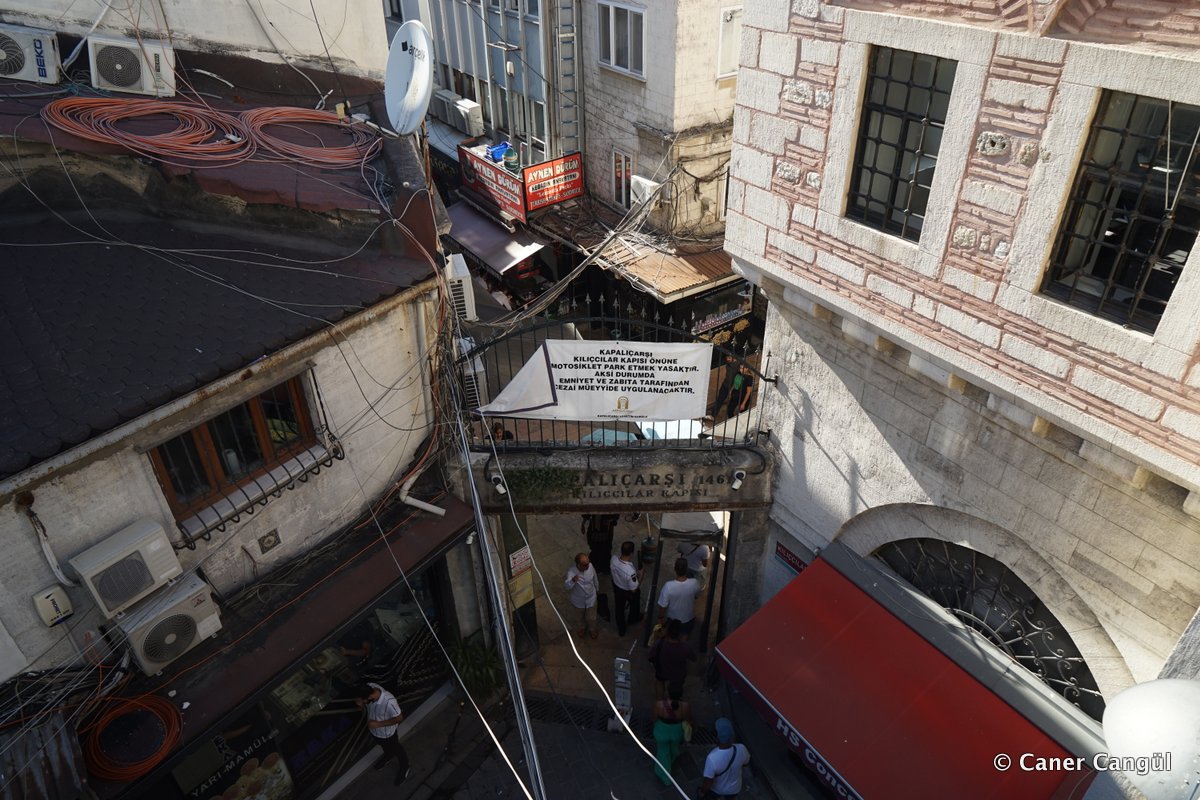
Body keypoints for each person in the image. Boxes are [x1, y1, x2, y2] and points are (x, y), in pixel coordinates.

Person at [354, 683, 410, 786]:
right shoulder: (369, 686)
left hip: (388, 734)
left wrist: (378, 724)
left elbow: (399, 718)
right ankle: (388, 755)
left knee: (397, 749)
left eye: (363, 700)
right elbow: (364, 704)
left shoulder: (389, 702)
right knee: (384, 746)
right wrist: (361, 704)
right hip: (375, 732)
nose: (362, 701)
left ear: (369, 697)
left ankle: (405, 767)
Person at [652, 683, 692, 786]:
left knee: (663, 752)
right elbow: (688, 720)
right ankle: (672, 759)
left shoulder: (659, 704)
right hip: (676, 733)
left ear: (667, 692)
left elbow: (654, 718)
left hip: (661, 732)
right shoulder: (685, 706)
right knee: (674, 748)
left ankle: (665, 775)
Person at [700, 717, 750, 798]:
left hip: (717, 790)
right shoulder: (742, 748)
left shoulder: (712, 758)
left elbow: (708, 781)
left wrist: (702, 792)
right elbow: (745, 763)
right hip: (735, 789)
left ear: (717, 737)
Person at [648, 618, 695, 700]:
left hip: (662, 670)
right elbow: (693, 658)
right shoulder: (685, 647)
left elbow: (651, 655)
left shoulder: (659, 643)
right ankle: (674, 701)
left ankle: (659, 700)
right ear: (680, 634)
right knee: (676, 689)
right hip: (678, 674)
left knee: (659, 682)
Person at [657, 557, 702, 637]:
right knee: (684, 638)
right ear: (686, 569)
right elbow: (696, 596)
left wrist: (660, 618)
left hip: (673, 619)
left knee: (671, 637)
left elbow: (663, 606)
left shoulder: (668, 586)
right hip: (688, 617)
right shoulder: (695, 583)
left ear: (675, 569)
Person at [610, 541, 642, 636]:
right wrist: (641, 576)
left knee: (619, 608)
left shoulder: (613, 559)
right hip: (627, 591)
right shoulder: (630, 571)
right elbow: (634, 589)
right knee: (635, 602)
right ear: (631, 553)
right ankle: (633, 618)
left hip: (616, 587)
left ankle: (621, 629)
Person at [564, 552, 600, 638]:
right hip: (578, 601)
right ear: (578, 564)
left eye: (588, 563)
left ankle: (592, 629)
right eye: (585, 565)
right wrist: (573, 581)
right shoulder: (571, 572)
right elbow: (566, 587)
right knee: (579, 617)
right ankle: (582, 628)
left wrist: (597, 589)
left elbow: (595, 578)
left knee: (592, 617)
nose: (587, 566)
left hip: (591, 598)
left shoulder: (590, 566)